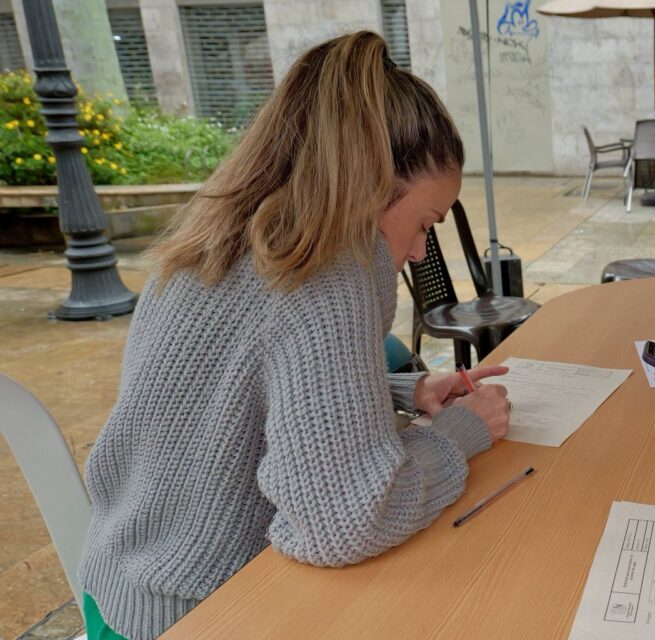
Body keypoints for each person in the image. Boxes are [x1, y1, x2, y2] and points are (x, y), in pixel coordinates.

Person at [77, 32, 513, 640]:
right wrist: (461, 433)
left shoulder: (225, 233)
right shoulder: (332, 271)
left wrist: (397, 391)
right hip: (198, 615)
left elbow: (228, 390)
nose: (419, 251)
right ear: (372, 186)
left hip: (116, 586)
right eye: (424, 224)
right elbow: (346, 521)